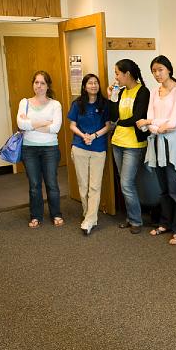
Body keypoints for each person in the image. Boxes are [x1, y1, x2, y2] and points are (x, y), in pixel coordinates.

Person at [136, 55, 176, 245]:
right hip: (156, 144)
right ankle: (165, 223)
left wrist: (150, 123)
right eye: (154, 71)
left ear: (169, 69)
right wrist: (155, 124)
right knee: (163, 190)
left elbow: (173, 122)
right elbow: (152, 119)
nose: (157, 74)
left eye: (160, 69)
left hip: (172, 146)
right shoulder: (154, 91)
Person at [107, 59, 150, 234]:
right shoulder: (122, 91)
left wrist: (118, 123)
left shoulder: (143, 92)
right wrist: (112, 96)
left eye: (117, 73)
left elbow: (137, 117)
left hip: (134, 144)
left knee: (126, 183)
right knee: (124, 183)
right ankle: (131, 217)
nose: (116, 77)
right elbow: (112, 115)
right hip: (117, 142)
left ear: (127, 74)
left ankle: (136, 221)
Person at [17, 71, 64, 229]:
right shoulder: (24, 102)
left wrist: (31, 124)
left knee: (52, 183)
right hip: (29, 149)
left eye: (43, 83)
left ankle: (56, 214)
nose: (39, 86)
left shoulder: (55, 104)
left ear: (48, 85)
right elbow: (21, 125)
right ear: (33, 84)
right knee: (34, 185)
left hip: (50, 148)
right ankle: (36, 216)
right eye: (36, 82)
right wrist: (45, 122)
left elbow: (55, 128)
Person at [67, 73, 110, 236]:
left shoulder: (104, 104)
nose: (93, 85)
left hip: (98, 148)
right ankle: (88, 214)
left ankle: (90, 219)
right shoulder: (78, 104)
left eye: (96, 83)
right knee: (83, 185)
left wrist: (94, 136)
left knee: (94, 185)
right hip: (79, 147)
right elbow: (72, 125)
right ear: (84, 86)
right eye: (90, 83)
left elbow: (108, 126)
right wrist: (83, 135)